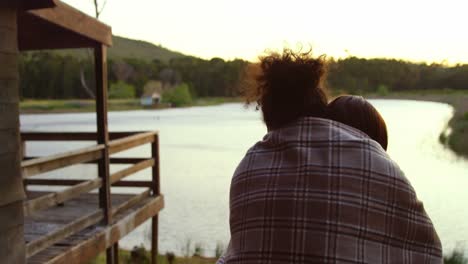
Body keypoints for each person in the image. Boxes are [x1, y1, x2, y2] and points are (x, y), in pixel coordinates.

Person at [217, 49, 442, 263]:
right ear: (320, 107)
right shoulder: (372, 158)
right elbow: (428, 251)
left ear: (271, 119)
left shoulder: (250, 165)